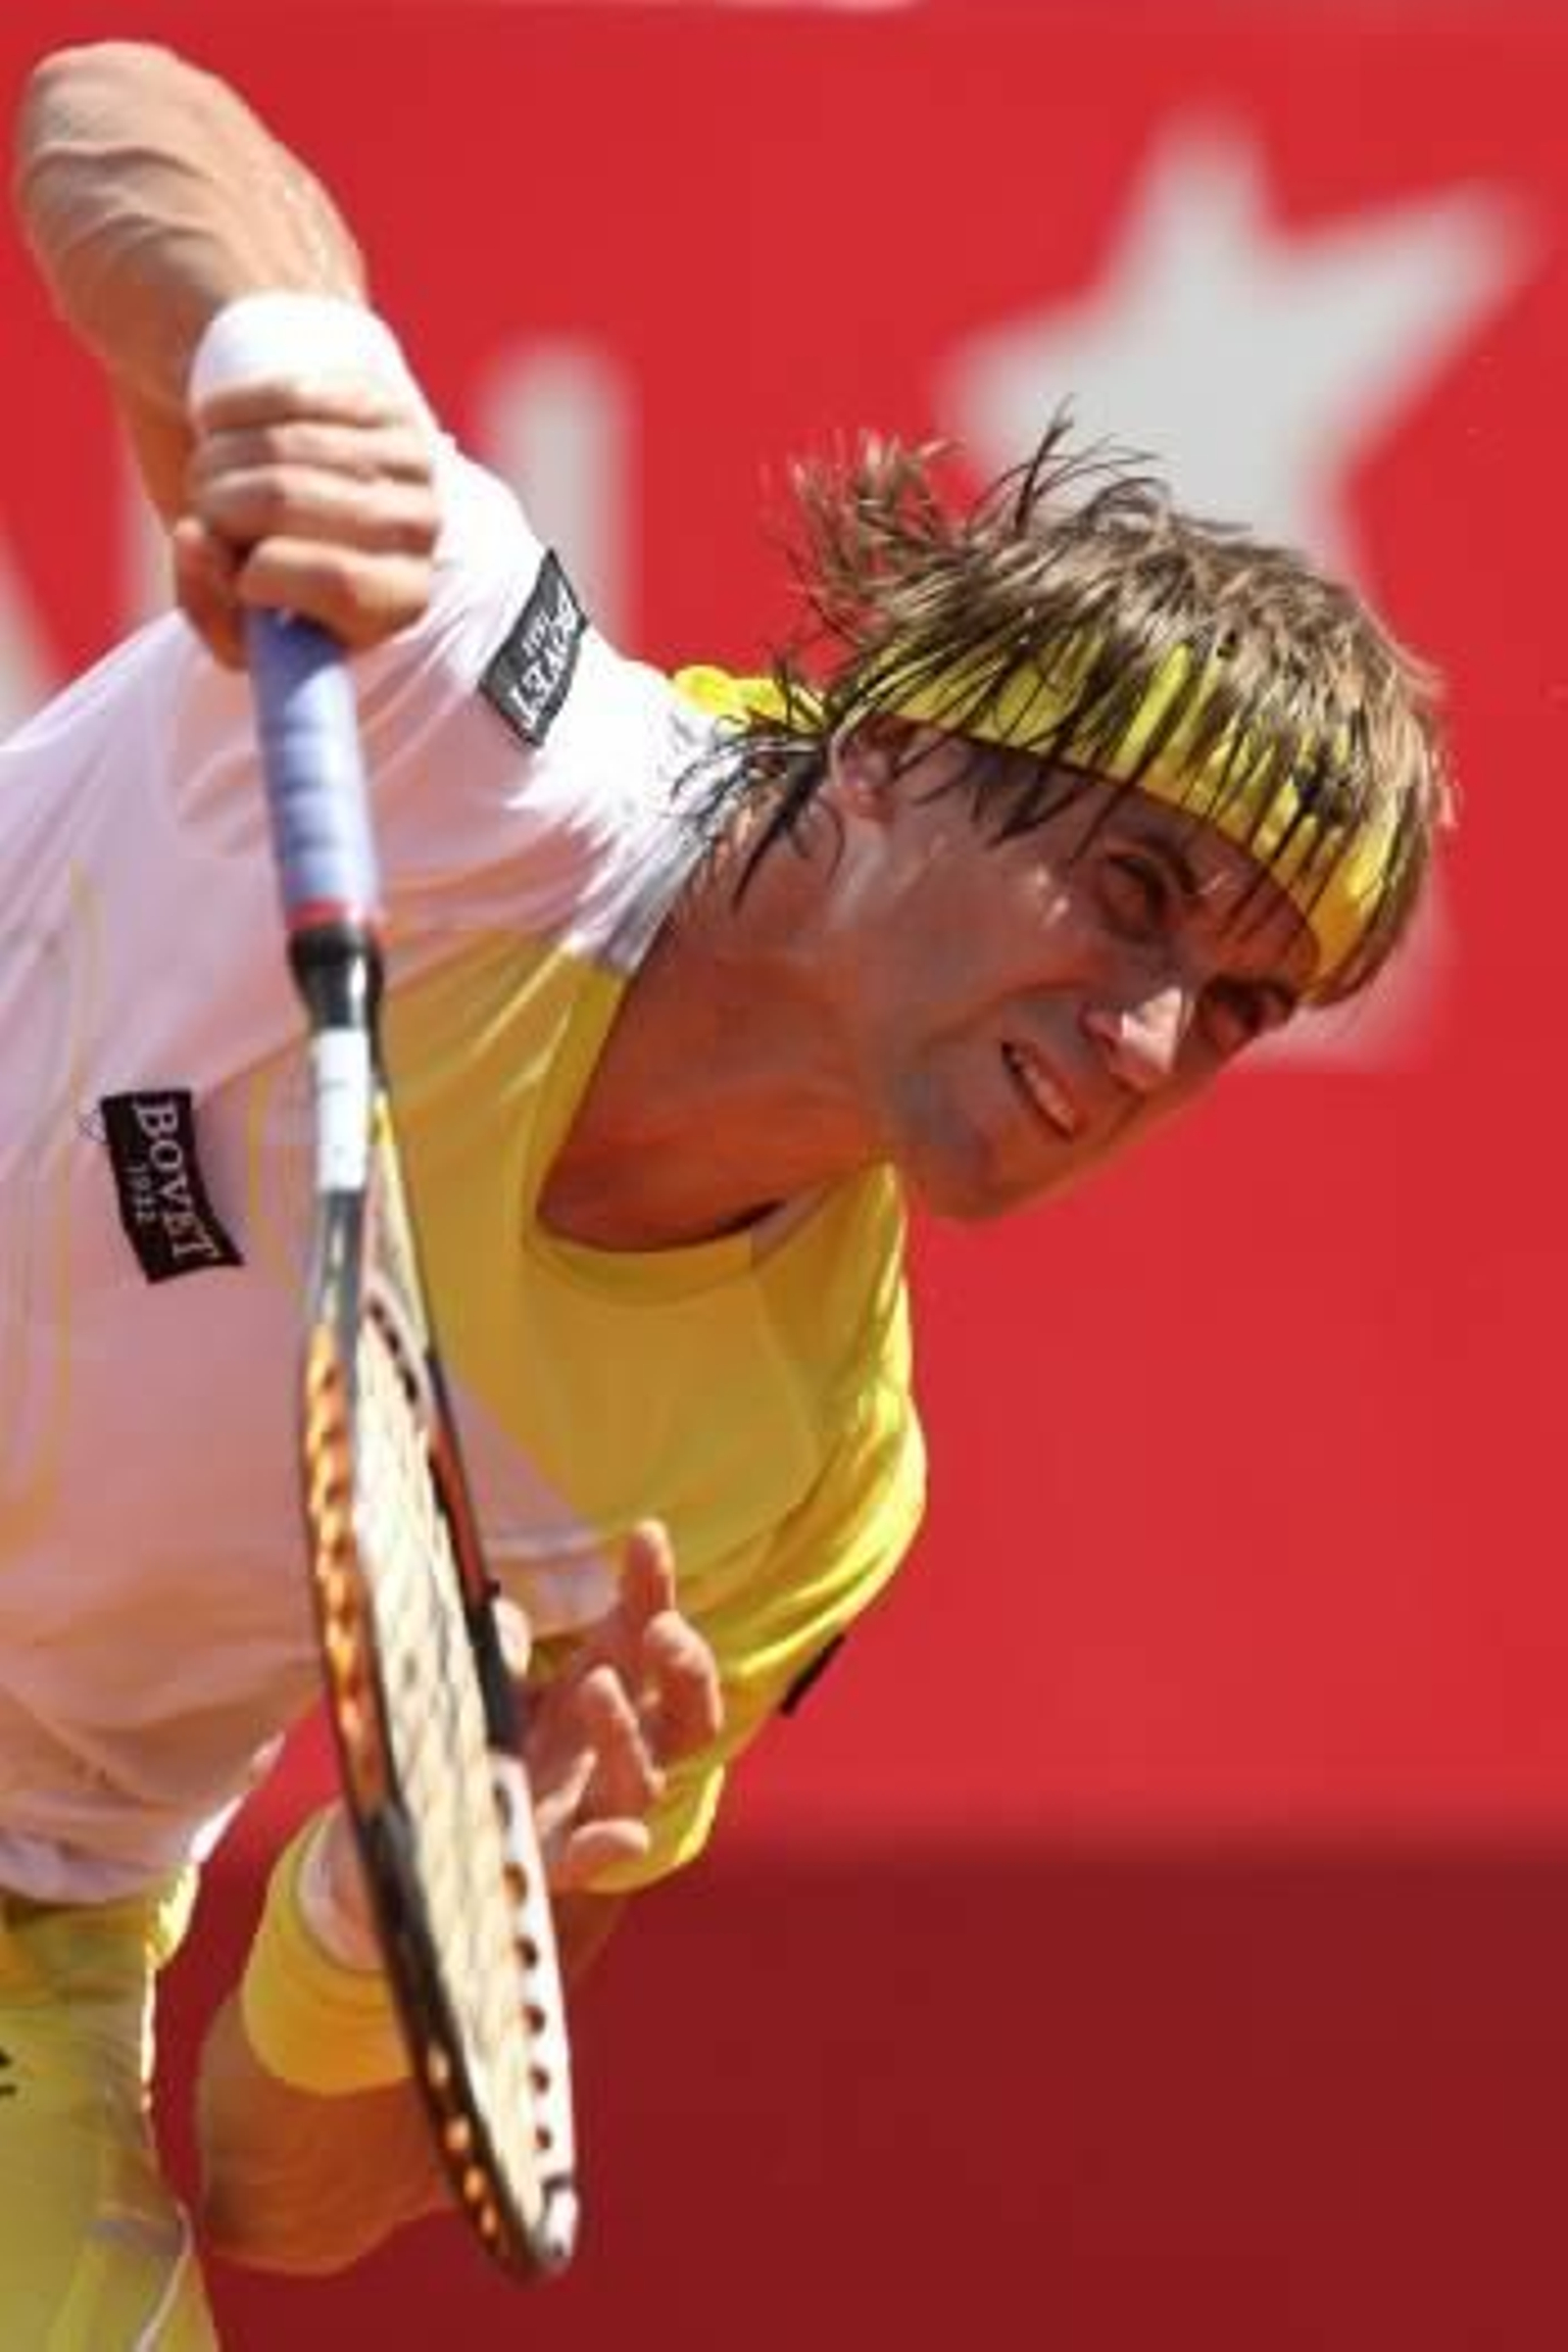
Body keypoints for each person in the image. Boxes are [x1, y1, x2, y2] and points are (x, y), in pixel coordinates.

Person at [2, 36, 1450, 2348]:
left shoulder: (789, 1478)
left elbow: (283, 2190)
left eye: (1243, 1007)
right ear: (881, 748)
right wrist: (279, 365)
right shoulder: (472, 720)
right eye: (1131, 888)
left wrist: (429, 1917)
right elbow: (120, 114)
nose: (1148, 1037)